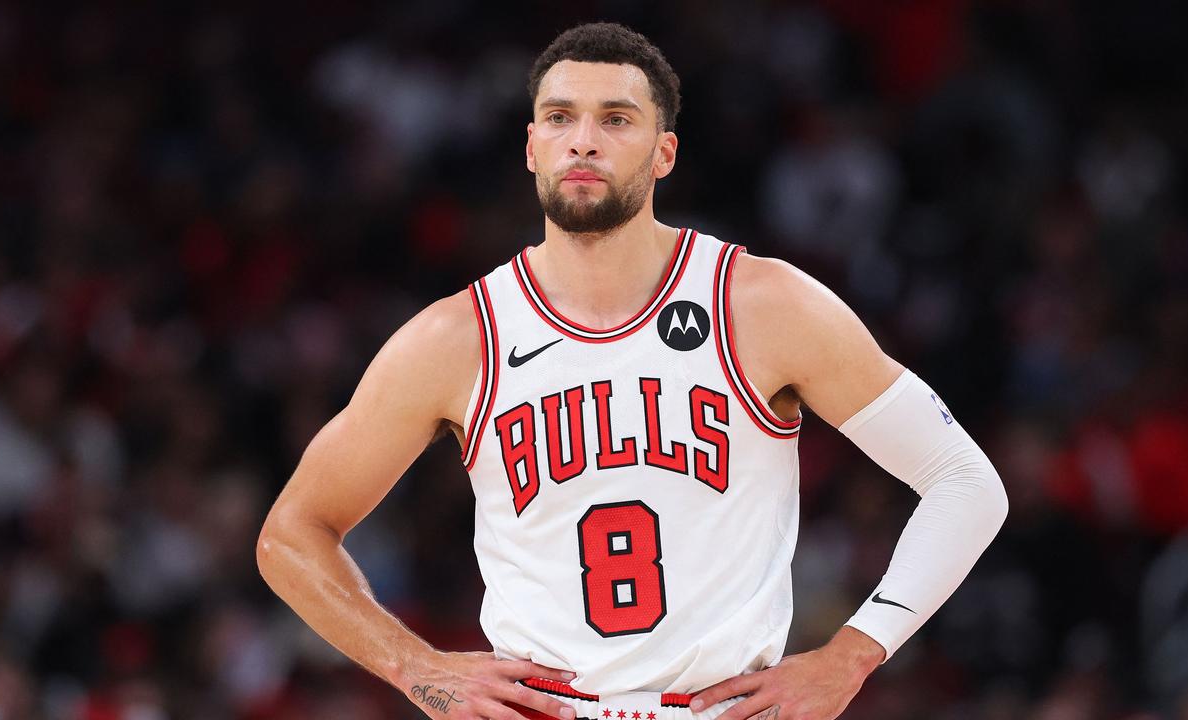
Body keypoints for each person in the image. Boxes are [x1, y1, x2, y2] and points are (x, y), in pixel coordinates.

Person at [256, 22, 1008, 720]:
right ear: (529, 146)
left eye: (615, 119)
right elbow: (291, 534)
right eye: (559, 118)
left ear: (664, 152)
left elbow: (965, 481)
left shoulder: (764, 304)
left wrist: (853, 654)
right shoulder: (457, 338)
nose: (583, 141)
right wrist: (414, 668)